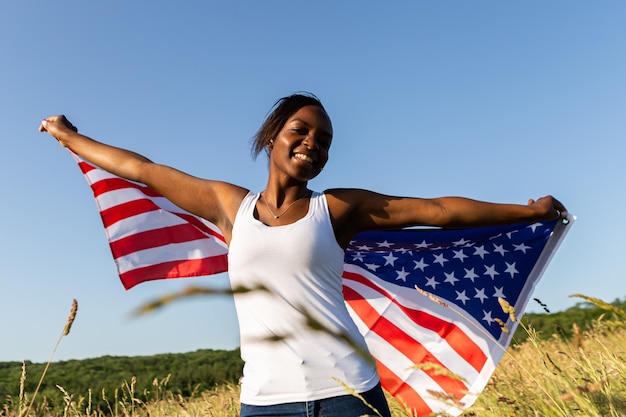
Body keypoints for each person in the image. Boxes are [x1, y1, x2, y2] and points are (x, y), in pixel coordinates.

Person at [39, 93, 566, 417]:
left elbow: (436, 210)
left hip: (348, 395)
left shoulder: (337, 209)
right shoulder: (229, 205)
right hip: (264, 403)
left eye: (325, 139)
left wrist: (525, 211)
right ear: (273, 137)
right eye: (301, 130)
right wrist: (69, 137)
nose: (313, 142)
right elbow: (141, 168)